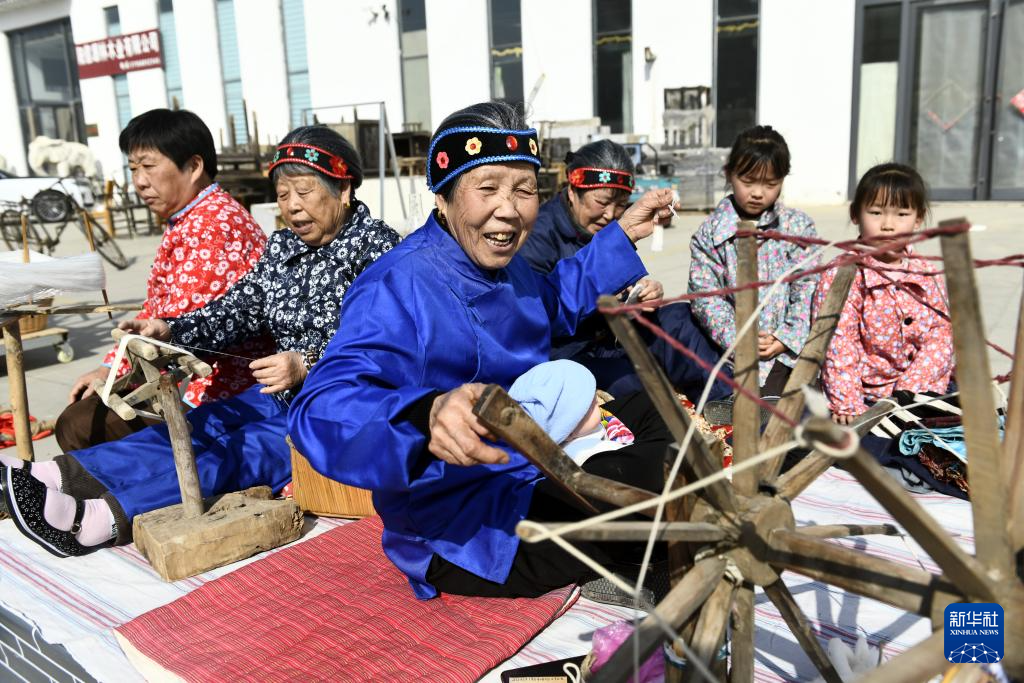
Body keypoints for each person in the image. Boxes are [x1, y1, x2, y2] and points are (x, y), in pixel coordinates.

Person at [289, 101, 678, 600]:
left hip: (536, 453)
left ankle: (636, 539)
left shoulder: (506, 266)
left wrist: (621, 236)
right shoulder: (397, 284)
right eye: (488, 188)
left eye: (524, 190)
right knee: (657, 482)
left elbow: (550, 303)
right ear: (444, 196)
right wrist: (426, 415)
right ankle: (631, 558)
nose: (509, 209)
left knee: (661, 411)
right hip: (465, 523)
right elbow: (320, 409)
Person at [0, 125, 400, 558]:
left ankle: (99, 518)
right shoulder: (284, 246)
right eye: (283, 195)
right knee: (197, 427)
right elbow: (239, 308)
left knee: (238, 453)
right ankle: (55, 475)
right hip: (279, 395)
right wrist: (171, 329)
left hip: (343, 408)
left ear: (344, 189)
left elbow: (386, 342)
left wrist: (307, 363)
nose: (292, 206)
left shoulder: (379, 250)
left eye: (304, 191)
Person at [55, 108, 271, 452]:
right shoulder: (190, 218)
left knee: (81, 425)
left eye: (149, 166)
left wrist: (114, 373)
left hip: (227, 396)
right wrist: (108, 369)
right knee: (84, 413)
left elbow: (174, 332)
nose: (140, 181)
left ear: (194, 166)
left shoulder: (216, 226)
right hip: (188, 382)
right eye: (133, 169)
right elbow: (155, 313)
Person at [518, 140, 730, 401]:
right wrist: (606, 301)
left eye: (620, 204)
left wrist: (639, 293)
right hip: (567, 352)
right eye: (602, 202)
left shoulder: (603, 228)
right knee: (636, 387)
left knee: (680, 320)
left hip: (612, 333)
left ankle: (725, 403)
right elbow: (542, 314)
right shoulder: (537, 235)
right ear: (573, 191)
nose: (610, 214)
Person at [813, 162, 952, 424]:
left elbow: (941, 335)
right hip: (864, 395)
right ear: (856, 214)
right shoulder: (844, 274)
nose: (888, 225)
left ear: (918, 219)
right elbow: (837, 342)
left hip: (921, 390)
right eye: (876, 212)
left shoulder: (926, 272)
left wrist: (909, 393)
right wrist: (848, 403)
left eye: (902, 214)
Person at [688, 125, 819, 397]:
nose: (758, 193)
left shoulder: (797, 228)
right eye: (748, 182)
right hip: (730, 353)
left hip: (789, 354)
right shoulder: (711, 234)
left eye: (770, 184)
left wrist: (785, 338)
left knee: (792, 405)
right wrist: (739, 339)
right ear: (729, 174)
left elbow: (807, 287)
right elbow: (706, 297)